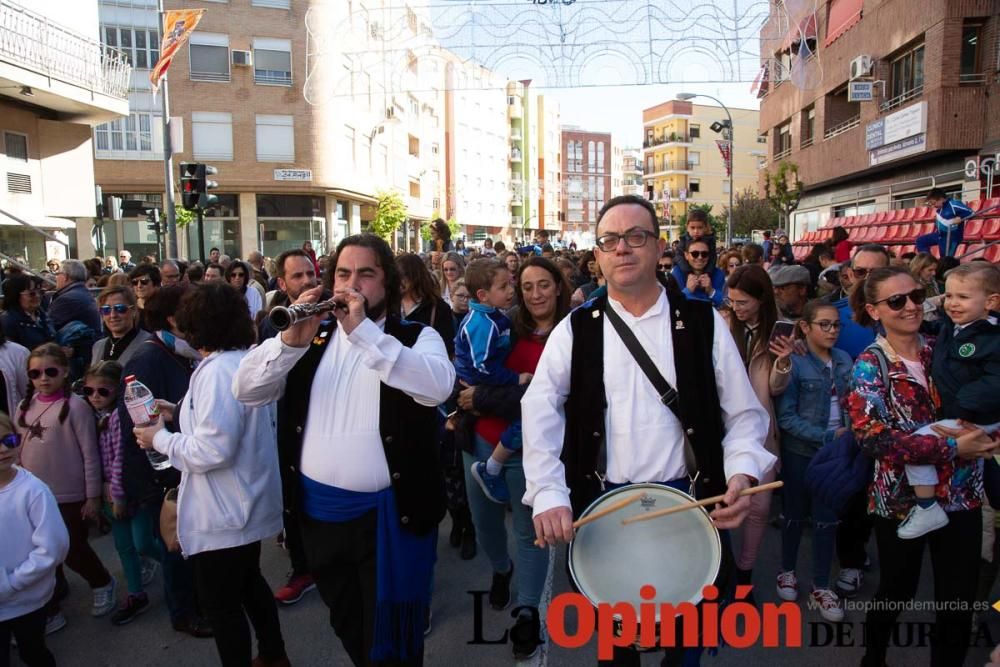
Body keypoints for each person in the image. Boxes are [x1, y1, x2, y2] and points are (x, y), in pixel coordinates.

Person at [523, 194, 774, 666]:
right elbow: (539, 411)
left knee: (687, 650)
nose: (623, 248)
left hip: (691, 506)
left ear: (660, 248)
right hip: (604, 509)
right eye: (610, 240)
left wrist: (742, 472)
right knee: (616, 652)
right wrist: (548, 492)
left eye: (636, 236)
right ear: (596, 255)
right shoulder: (574, 329)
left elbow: (744, 416)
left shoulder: (705, 323)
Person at [233, 233, 454, 665]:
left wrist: (364, 334)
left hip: (391, 518)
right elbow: (246, 390)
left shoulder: (416, 336)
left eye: (366, 274)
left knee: (392, 634)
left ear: (387, 283)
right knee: (347, 622)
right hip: (320, 518)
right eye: (343, 274)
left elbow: (437, 387)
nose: (352, 285)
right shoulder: (309, 336)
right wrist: (287, 345)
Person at [848, 265, 995, 667]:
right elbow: (872, 438)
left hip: (962, 493)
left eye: (917, 295)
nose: (912, 306)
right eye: (897, 301)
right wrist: (950, 449)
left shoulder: (946, 346)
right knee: (897, 589)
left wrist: (987, 438)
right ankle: (872, 658)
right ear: (874, 310)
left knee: (958, 600)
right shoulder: (869, 365)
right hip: (900, 502)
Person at [134, 283, 288, 667]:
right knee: (249, 584)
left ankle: (261, 657)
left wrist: (160, 439)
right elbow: (222, 423)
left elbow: (212, 450)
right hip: (243, 502)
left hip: (224, 511)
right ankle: (272, 654)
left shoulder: (217, 370)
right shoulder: (238, 361)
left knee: (222, 605)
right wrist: (178, 409)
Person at [455, 256, 571, 659]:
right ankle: (500, 569)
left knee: (530, 533)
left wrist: (482, 398)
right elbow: (472, 372)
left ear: (559, 286)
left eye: (544, 284)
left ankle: (527, 613)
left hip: (530, 452)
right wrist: (471, 393)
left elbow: (546, 398)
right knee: (485, 524)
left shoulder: (572, 334)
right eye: (526, 286)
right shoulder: (505, 325)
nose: (535, 293)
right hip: (480, 445)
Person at [115, 285, 211, 639]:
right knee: (177, 545)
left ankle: (198, 603)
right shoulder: (149, 358)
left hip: (180, 463)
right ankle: (185, 612)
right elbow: (137, 425)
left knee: (189, 545)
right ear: (174, 318)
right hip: (162, 471)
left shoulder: (180, 354)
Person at [897, 263, 1000, 539]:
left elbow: (994, 382)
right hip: (960, 416)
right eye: (949, 296)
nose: (953, 303)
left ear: (990, 302)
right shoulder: (951, 326)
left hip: (974, 418)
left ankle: (926, 507)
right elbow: (932, 329)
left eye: (963, 297)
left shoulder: (993, 339)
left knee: (919, 446)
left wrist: (963, 404)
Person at [16, 343, 115, 629]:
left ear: (65, 371)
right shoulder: (25, 405)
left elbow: (90, 454)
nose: (43, 378)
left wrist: (92, 496)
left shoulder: (76, 407)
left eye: (50, 371)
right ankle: (53, 600)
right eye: (35, 373)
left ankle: (102, 581)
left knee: (73, 548)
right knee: (43, 553)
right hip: (34, 495)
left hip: (70, 496)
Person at [775, 300, 853, 621]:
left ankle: (822, 584)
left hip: (837, 455)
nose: (832, 330)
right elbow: (786, 418)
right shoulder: (794, 362)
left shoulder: (845, 360)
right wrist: (827, 436)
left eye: (836, 324)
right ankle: (787, 571)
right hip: (802, 452)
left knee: (827, 519)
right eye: (825, 324)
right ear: (805, 327)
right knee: (793, 514)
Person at [724, 265, 794, 597]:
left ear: (761, 299)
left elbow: (776, 389)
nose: (736, 308)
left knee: (759, 508)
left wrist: (783, 363)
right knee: (718, 503)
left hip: (762, 431)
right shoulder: (722, 326)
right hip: (721, 427)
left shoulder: (776, 335)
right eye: (732, 301)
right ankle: (716, 571)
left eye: (743, 303)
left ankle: (744, 576)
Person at [86, 360, 163, 625]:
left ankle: (178, 566)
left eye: (103, 391)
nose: (95, 397)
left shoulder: (120, 416)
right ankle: (135, 593)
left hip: (129, 491)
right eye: (89, 391)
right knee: (124, 546)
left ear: (116, 391)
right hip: (109, 492)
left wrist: (117, 494)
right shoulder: (92, 417)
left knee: (143, 542)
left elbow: (120, 457)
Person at [454, 259, 531, 504]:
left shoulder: (493, 315)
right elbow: (483, 367)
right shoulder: (482, 324)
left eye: (510, 283)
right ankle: (491, 468)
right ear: (483, 295)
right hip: (479, 384)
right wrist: (515, 378)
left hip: (484, 385)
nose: (511, 290)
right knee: (524, 421)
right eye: (503, 286)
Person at [0, 413, 69, 667]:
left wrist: (10, 583)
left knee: (33, 653)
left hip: (27, 601)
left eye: (8, 440)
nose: (3, 449)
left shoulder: (33, 490)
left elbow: (53, 547)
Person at [91, 287, 153, 366]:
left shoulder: (148, 345)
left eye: (120, 308)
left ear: (133, 310)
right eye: (106, 310)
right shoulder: (98, 346)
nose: (113, 315)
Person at [915, 187, 975, 258]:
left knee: (945, 260)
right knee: (921, 241)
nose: (934, 206)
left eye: (934, 203)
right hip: (940, 235)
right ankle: (928, 262)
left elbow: (971, 212)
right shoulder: (940, 209)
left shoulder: (953, 204)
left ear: (941, 199)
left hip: (951, 238)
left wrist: (961, 217)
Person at [1, 275, 55, 351]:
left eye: (40, 291)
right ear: (16, 295)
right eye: (32, 293)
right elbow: (12, 354)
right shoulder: (8, 321)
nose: (38, 295)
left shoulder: (41, 314)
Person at [671, 237, 725, 306]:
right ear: (686, 255)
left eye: (704, 254)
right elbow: (672, 306)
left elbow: (727, 304)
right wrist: (687, 291)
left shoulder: (718, 274)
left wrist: (711, 291)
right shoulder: (676, 274)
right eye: (695, 254)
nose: (700, 257)